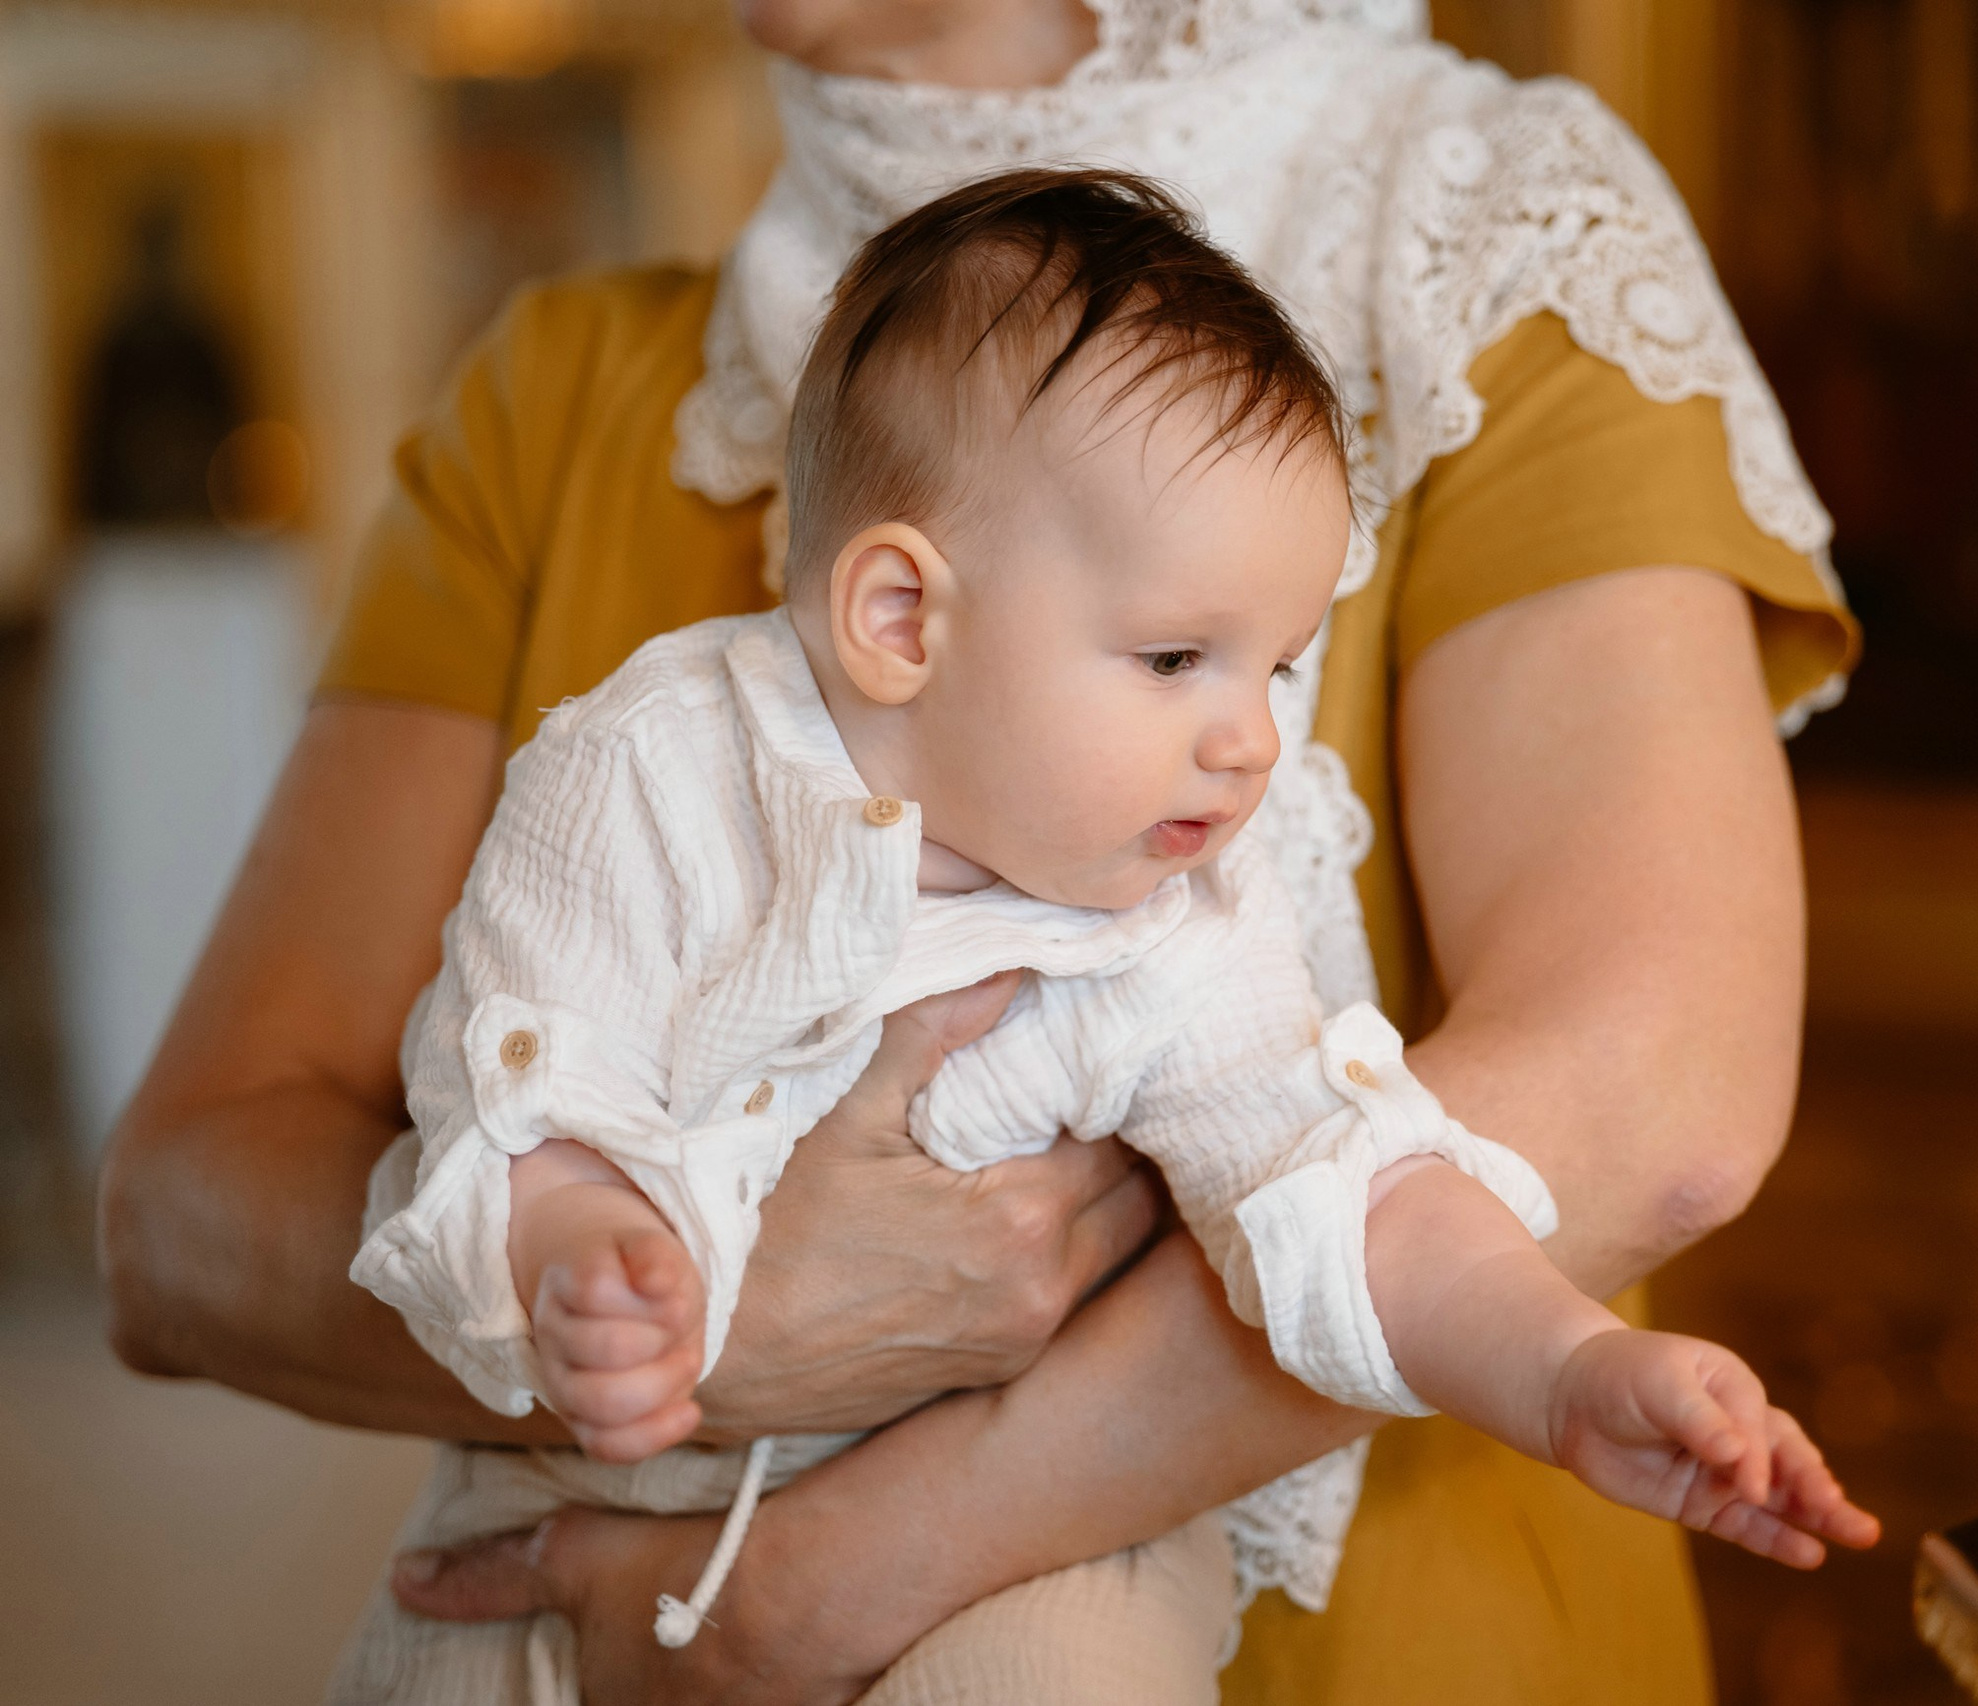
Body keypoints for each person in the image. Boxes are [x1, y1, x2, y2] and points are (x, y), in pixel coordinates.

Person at [98, 1, 1864, 1698]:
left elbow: (1493, 1150)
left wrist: (1568, 1363)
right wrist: (691, 1292)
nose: (1254, 734)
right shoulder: (633, 689)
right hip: (573, 1510)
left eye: (1277, 666)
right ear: (890, 607)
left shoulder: (1191, 900)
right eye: (1182, 658)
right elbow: (301, 1158)